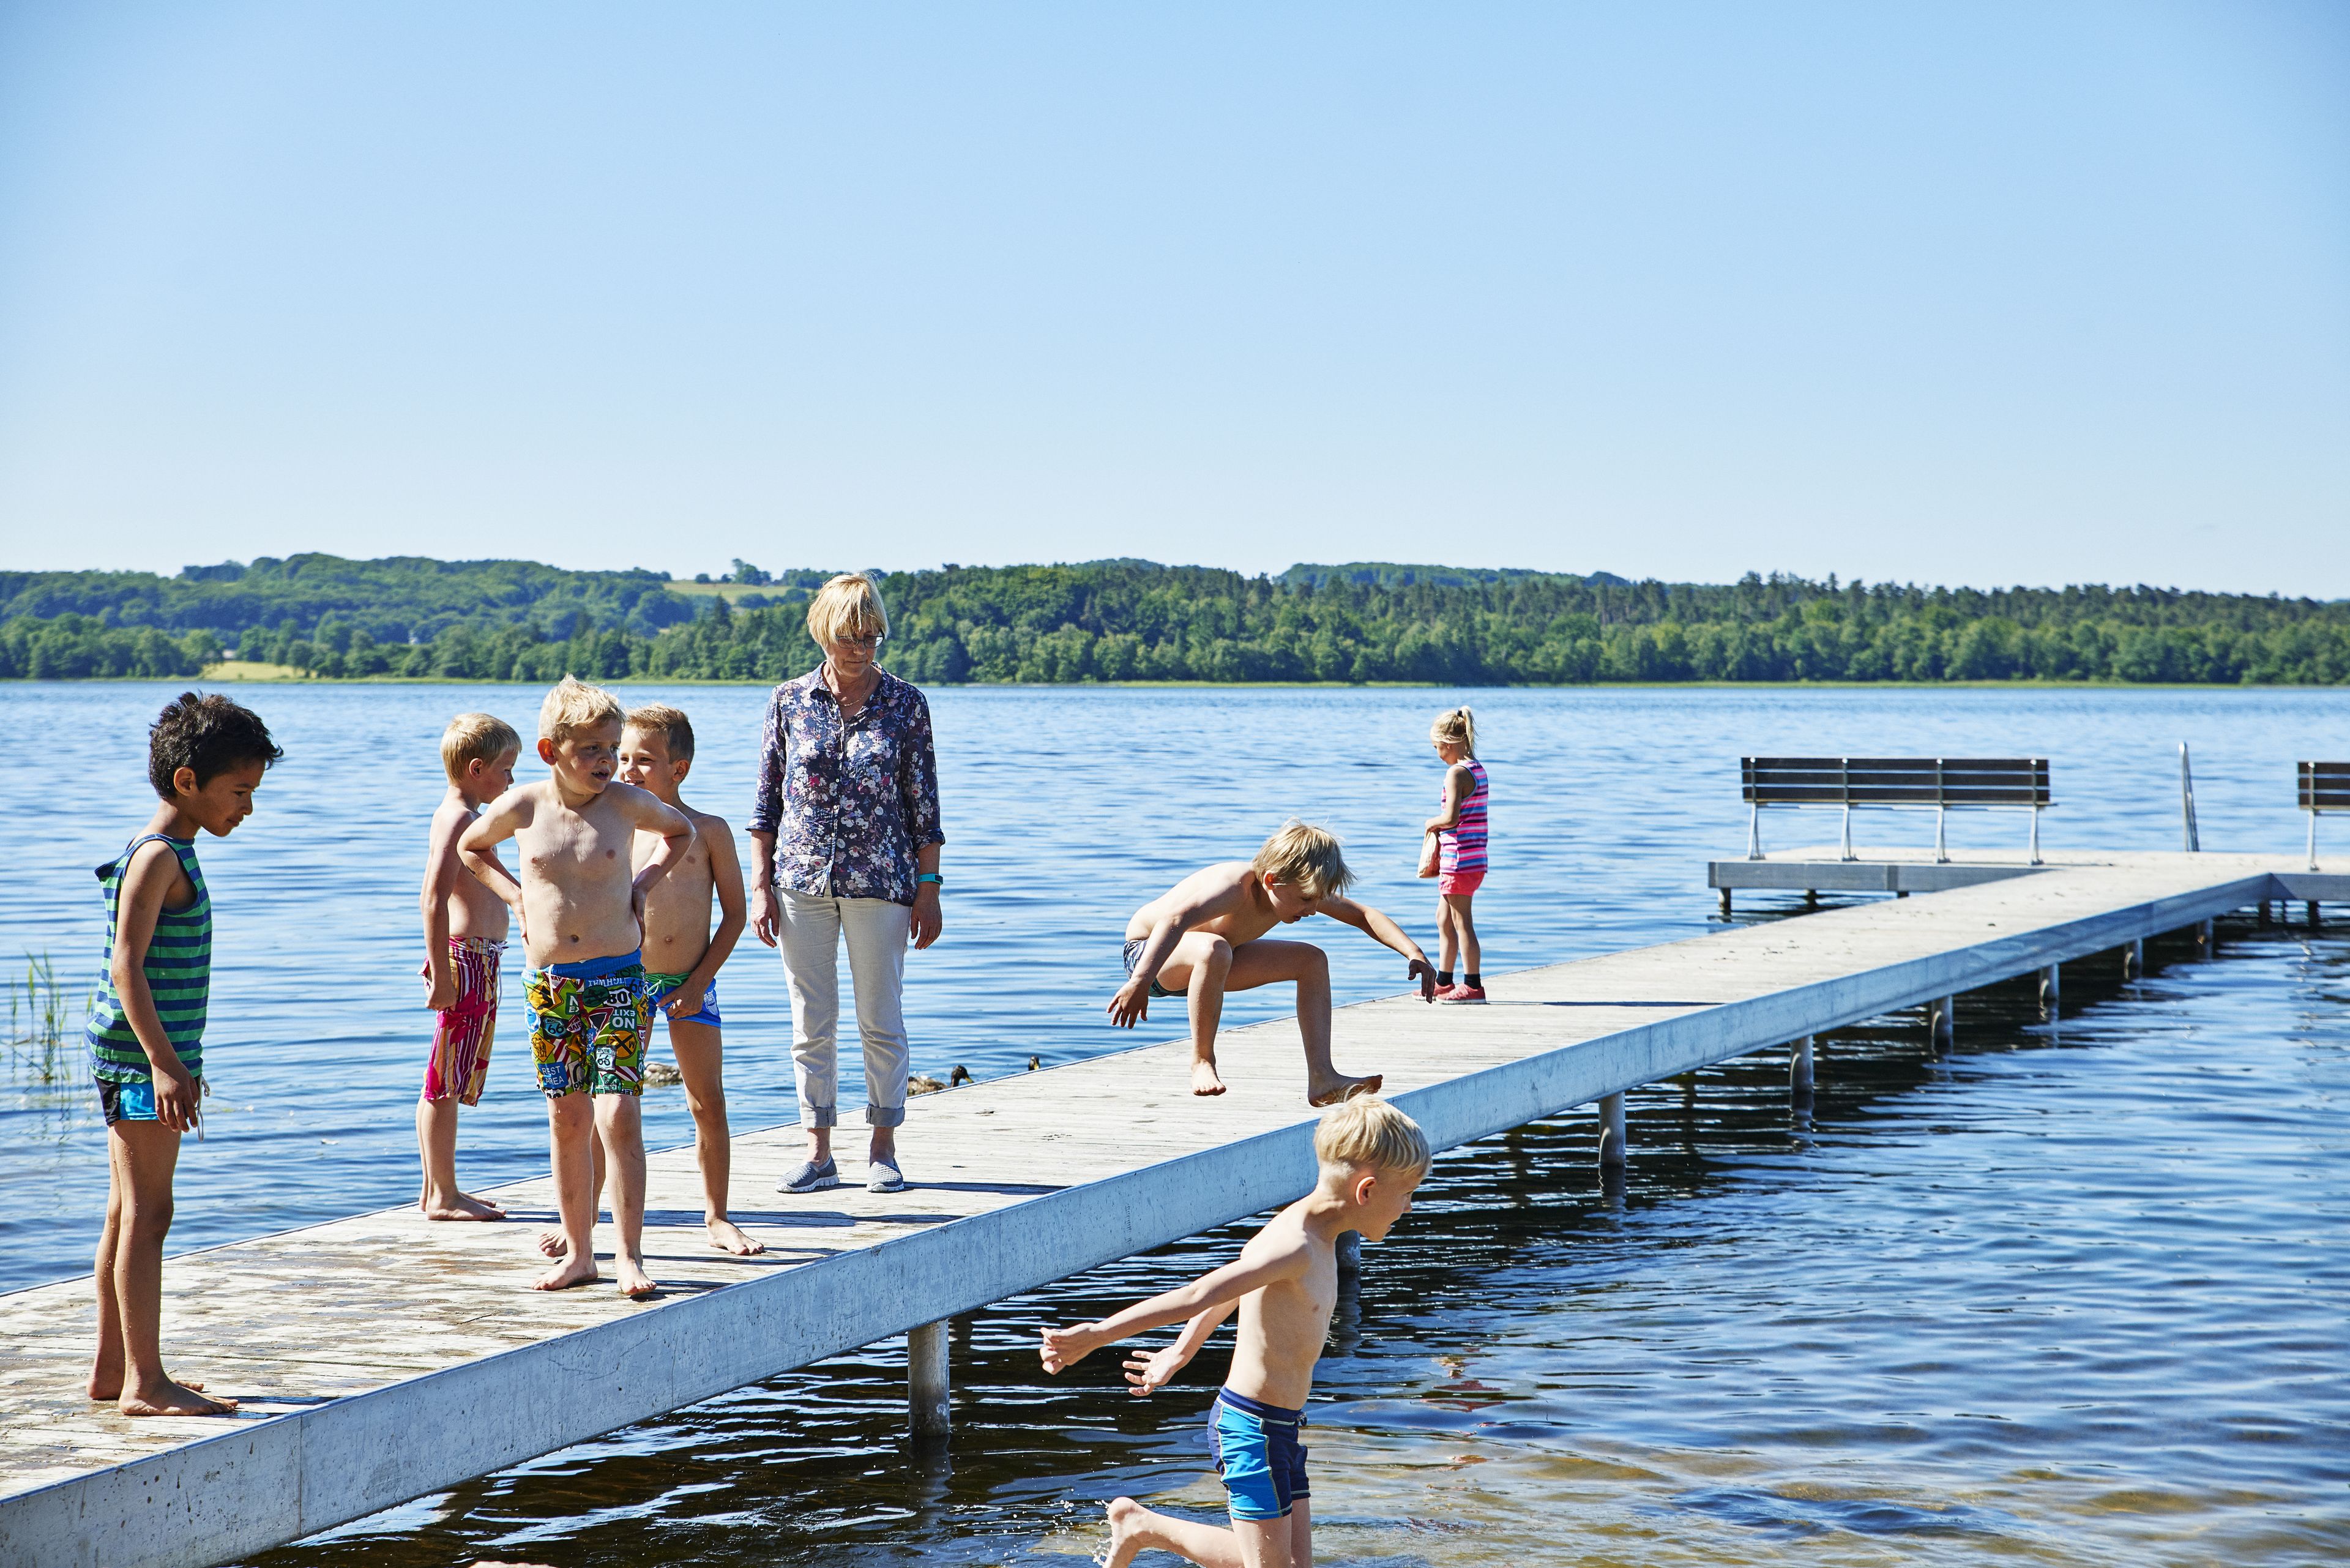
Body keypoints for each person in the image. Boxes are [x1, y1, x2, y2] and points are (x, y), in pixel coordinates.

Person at [1040, 1096, 1432, 1568]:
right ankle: (1143, 1526)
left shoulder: (1314, 1234)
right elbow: (1199, 1293)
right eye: (1408, 1192)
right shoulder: (1296, 1245)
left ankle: (1141, 1526)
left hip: (1282, 1427)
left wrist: (1182, 1351)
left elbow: (1234, 1285)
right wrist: (1098, 1334)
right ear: (1366, 1190)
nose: (1409, 1207)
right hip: (1251, 1427)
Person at [460, 676, 695, 1298]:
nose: (607, 761)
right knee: (567, 1116)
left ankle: (629, 1254)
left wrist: (643, 885)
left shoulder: (625, 804)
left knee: (618, 1114)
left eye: (612, 747)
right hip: (551, 985)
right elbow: (470, 847)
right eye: (591, 748)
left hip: (618, 977)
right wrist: (513, 897)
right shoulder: (525, 807)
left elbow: (682, 833)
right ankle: (579, 1254)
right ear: (549, 751)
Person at [85, 692, 282, 1416]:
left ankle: (115, 1369)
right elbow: (125, 968)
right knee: (150, 1212)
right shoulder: (160, 857)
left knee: (123, 1212)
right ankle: (146, 1383)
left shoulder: (173, 852)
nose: (247, 810)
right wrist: (166, 1065)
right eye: (239, 793)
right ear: (187, 782)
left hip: (144, 1053)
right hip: (142, 1059)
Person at [748, 573, 944, 1197]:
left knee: (880, 1018)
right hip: (799, 881)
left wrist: (929, 888)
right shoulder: (788, 701)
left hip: (882, 881)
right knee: (812, 1020)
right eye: (849, 635)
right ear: (823, 632)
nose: (861, 647)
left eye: (872, 635)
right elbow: (764, 807)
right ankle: (818, 1151)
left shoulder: (906, 705)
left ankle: (883, 1147)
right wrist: (759, 888)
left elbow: (925, 810)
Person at [1111, 821, 1435, 1105]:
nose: (1312, 909)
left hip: (1214, 963)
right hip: (1151, 956)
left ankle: (1322, 1078)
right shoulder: (1234, 888)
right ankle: (1201, 1061)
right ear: (1271, 880)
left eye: (1317, 900)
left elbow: (1364, 915)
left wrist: (1413, 953)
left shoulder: (1293, 887)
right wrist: (1139, 981)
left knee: (1311, 960)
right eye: (1306, 900)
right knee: (1214, 948)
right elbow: (1174, 920)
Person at [617, 703, 762, 1256]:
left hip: (691, 981)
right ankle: (586, 1218)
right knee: (613, 1101)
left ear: (678, 769)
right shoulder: (615, 828)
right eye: (622, 756)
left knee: (707, 1102)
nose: (628, 769)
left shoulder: (708, 831)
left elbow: (735, 916)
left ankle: (718, 1215)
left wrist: (700, 981)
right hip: (626, 983)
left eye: (644, 760)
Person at [416, 712, 521, 1222]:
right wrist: (442, 970)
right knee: (447, 1078)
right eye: (506, 768)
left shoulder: (464, 815)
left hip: (475, 955)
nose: (511, 780)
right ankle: (444, 1195)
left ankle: (436, 1188)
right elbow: (433, 898)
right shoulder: (458, 818)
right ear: (476, 768)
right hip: (466, 959)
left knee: (445, 1073)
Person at [1423, 706, 1489, 1002]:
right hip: (1473, 858)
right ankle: (1444, 981)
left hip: (1459, 859)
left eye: (1437, 747)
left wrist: (1430, 823)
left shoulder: (1456, 772)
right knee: (1443, 918)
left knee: (1462, 922)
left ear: (1448, 744)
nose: (1437, 754)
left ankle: (1473, 986)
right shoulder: (1477, 769)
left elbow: (1450, 818)